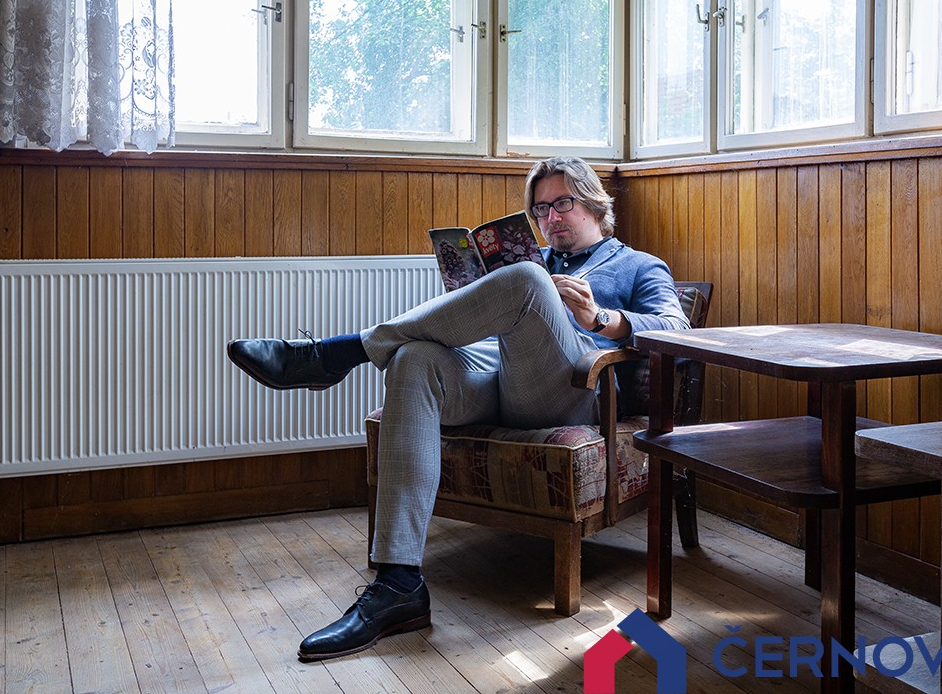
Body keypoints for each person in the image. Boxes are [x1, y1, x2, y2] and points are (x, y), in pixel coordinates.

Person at [226, 156, 691, 662]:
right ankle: (399, 585)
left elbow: (680, 331)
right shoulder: (534, 257)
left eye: (563, 203)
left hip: (567, 390)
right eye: (541, 210)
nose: (551, 218)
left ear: (595, 204)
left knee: (526, 280)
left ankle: (334, 354)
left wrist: (600, 317)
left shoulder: (637, 264)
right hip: (493, 378)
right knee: (414, 358)